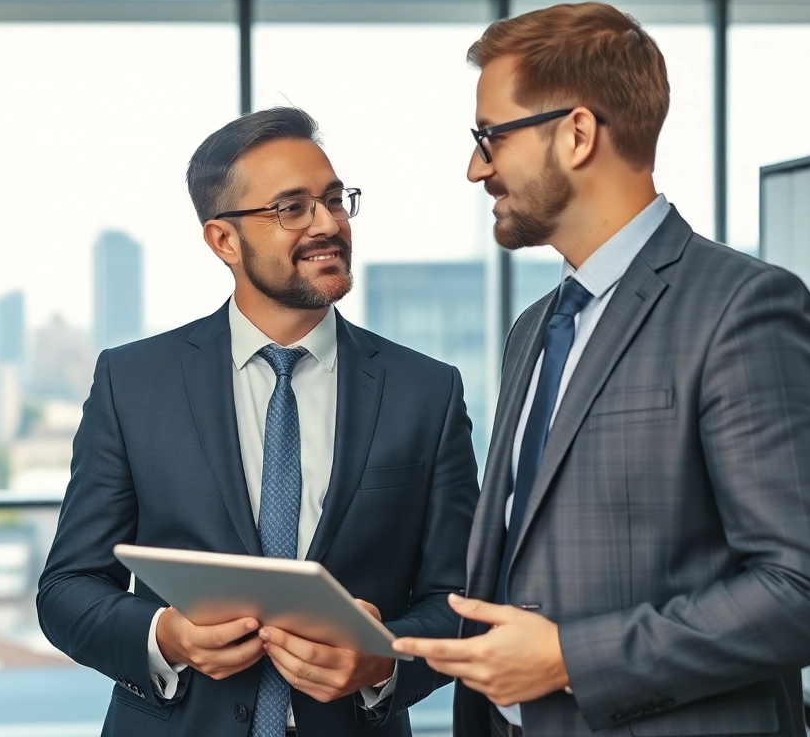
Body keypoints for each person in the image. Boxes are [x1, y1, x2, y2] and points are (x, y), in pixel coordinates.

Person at [392, 2, 810, 737]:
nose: (475, 167)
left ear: (577, 134)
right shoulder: (533, 330)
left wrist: (572, 660)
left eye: (490, 136)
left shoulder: (743, 307)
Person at [37, 106, 480, 736]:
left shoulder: (426, 392)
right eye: (292, 207)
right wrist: (166, 636)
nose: (328, 223)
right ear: (223, 240)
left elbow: (460, 601)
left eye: (334, 200)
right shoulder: (133, 383)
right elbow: (68, 589)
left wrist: (385, 658)